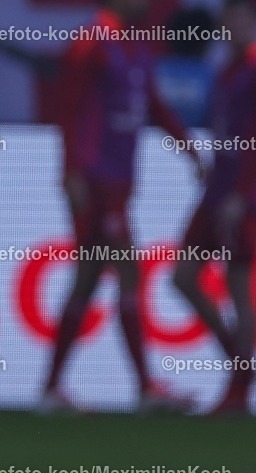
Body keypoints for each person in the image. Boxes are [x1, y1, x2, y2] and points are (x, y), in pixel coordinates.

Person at [39, 0, 204, 414]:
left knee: (89, 278)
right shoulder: (92, 41)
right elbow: (68, 108)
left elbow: (153, 105)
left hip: (120, 183)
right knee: (126, 270)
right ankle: (146, 388)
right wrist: (72, 171)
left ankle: (51, 389)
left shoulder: (137, 46)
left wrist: (186, 144)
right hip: (95, 182)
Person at [173, 0, 256, 415]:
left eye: (242, 18)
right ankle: (240, 366)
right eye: (229, 18)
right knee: (182, 276)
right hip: (217, 192)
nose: (234, 25)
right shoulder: (226, 71)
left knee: (240, 287)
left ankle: (239, 389)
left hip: (244, 195)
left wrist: (245, 193)